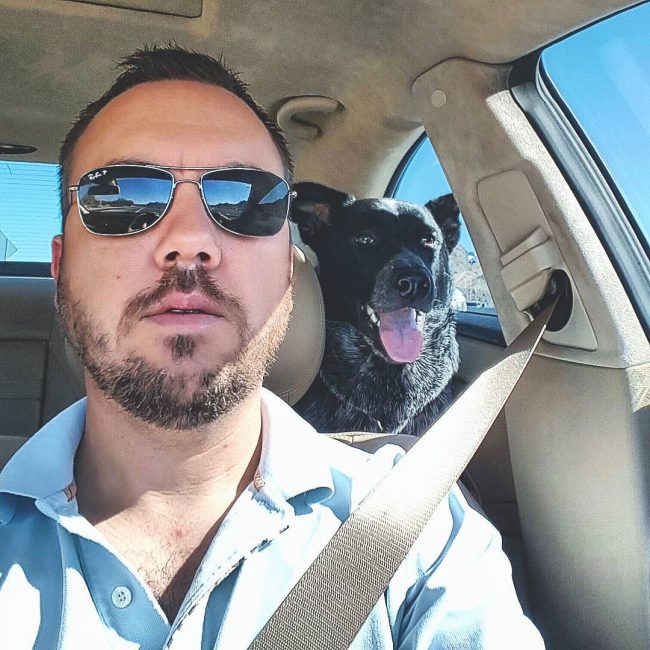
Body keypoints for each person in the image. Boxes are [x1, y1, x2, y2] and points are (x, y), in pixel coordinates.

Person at [0, 45, 544, 649]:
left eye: (245, 201)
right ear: (61, 266)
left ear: (290, 274)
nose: (188, 240)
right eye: (122, 197)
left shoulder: (422, 538)